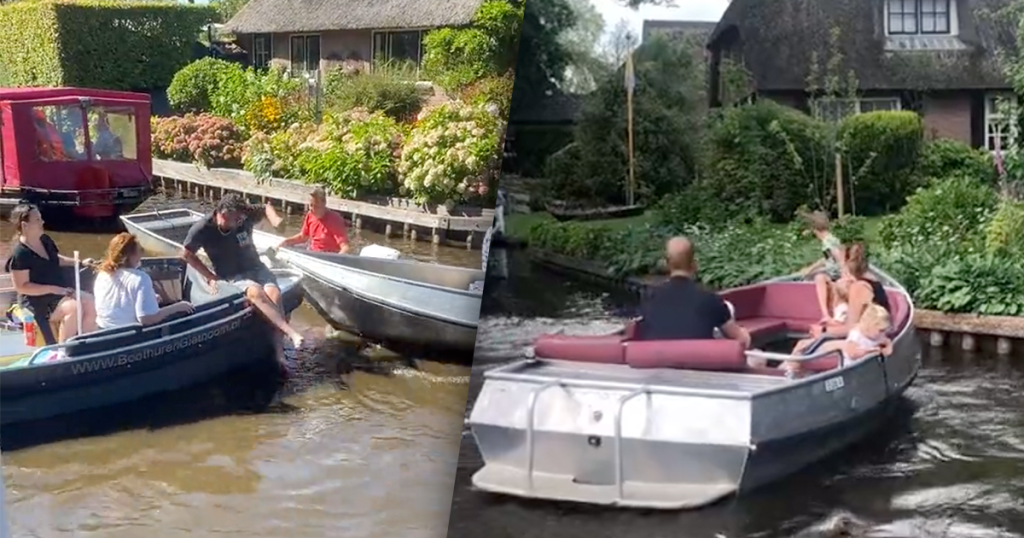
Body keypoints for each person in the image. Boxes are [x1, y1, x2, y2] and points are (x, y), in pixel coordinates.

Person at [182, 193, 303, 367]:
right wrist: (210, 276)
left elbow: (265, 206)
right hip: (232, 275)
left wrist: (276, 220)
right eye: (236, 219)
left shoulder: (245, 214)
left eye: (241, 218)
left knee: (274, 296)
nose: (240, 222)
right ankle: (291, 333)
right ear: (223, 215)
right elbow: (186, 254)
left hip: (257, 267)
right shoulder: (203, 228)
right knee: (256, 293)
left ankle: (279, 352)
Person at [4, 203, 97, 344]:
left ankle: (83, 344)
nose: (42, 222)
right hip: (37, 301)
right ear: (25, 225)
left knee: (90, 301)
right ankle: (63, 350)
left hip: (59, 292)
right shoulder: (20, 254)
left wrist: (79, 262)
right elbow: (22, 286)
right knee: (74, 307)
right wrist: (54, 289)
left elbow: (55, 259)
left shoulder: (45, 240)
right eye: (37, 220)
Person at [634, 236, 751, 347]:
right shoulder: (709, 298)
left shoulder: (649, 296)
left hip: (659, 363)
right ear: (694, 264)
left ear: (667, 264)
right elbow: (740, 340)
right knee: (757, 360)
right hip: (700, 365)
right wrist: (744, 334)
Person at [93, 233, 194, 329]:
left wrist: (150, 298)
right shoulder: (140, 278)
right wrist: (178, 307)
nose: (142, 253)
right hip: (127, 335)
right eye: (140, 250)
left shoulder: (103, 274)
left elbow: (119, 303)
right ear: (131, 255)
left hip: (102, 329)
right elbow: (146, 319)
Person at [783, 303, 892, 375]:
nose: (882, 334)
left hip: (863, 368)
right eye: (880, 330)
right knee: (803, 348)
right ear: (869, 325)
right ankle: (791, 370)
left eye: (883, 331)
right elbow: (852, 354)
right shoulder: (856, 335)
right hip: (849, 369)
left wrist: (887, 348)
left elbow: (887, 342)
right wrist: (872, 351)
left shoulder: (878, 335)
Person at [799, 211, 845, 324]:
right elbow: (827, 259)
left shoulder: (828, 241)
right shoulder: (831, 239)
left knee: (819, 278)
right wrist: (810, 269)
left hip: (837, 275)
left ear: (814, 230)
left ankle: (825, 314)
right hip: (835, 274)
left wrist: (844, 274)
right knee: (818, 276)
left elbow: (838, 256)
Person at [276, 188, 350, 253]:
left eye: (316, 206)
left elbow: (345, 247)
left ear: (324, 204)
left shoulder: (335, 219)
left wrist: (337, 262)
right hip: (312, 252)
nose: (312, 209)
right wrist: (286, 242)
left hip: (328, 256)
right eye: (311, 205)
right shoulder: (310, 215)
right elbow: (303, 237)